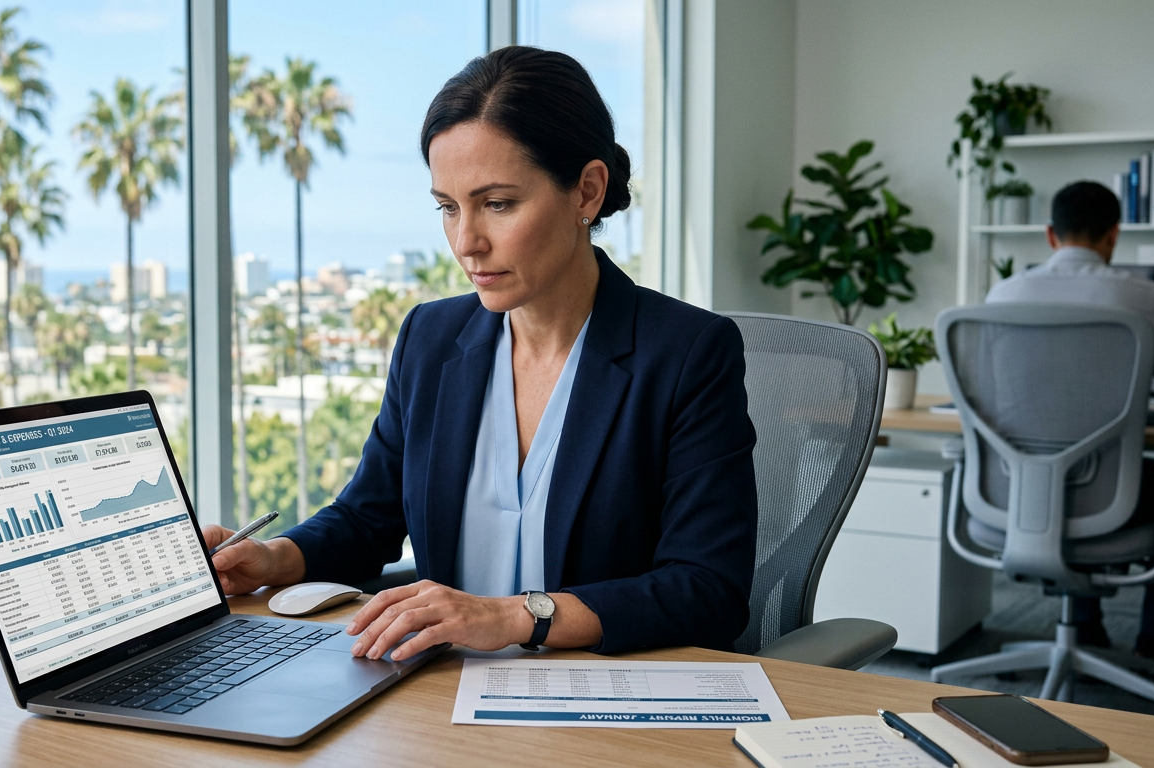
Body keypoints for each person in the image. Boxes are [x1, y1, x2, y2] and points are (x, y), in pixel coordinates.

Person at [202, 46, 759, 661]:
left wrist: (516, 617)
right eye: (448, 207)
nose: (466, 242)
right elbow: (367, 519)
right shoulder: (430, 339)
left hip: (602, 703)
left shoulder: (686, 354)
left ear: (587, 192)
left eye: (497, 204)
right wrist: (275, 557)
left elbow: (708, 589)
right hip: (437, 698)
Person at [986, 180, 1154, 675]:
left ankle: (1083, 628)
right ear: (1114, 235)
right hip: (1115, 501)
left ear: (1049, 234)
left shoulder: (1002, 294)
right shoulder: (1146, 298)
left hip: (1012, 493)